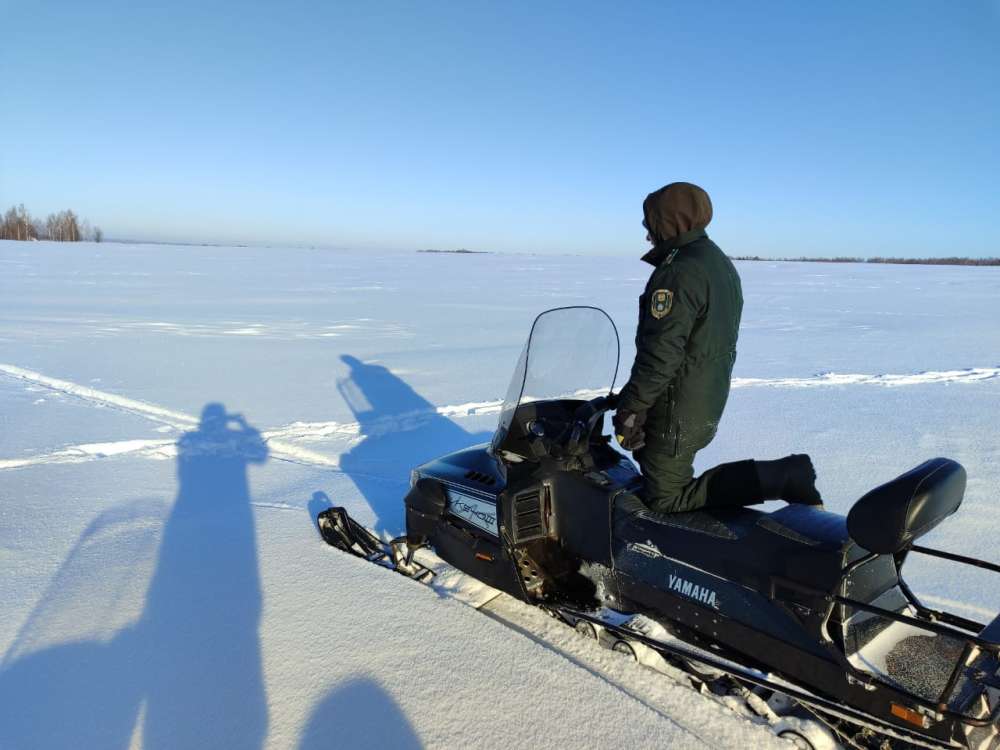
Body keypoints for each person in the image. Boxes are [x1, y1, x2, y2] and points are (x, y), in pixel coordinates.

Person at [613, 182, 821, 514]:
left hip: (676, 405)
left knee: (666, 498)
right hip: (704, 397)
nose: (647, 235)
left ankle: (783, 477)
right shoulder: (716, 261)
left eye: (649, 225)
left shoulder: (679, 271)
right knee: (662, 478)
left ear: (668, 221)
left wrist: (633, 408)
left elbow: (662, 353)